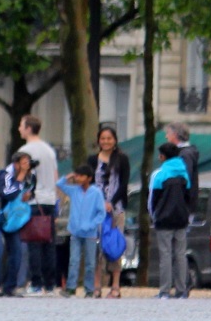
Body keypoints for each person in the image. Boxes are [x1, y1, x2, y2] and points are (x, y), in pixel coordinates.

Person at [0, 151, 35, 297]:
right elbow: (7, 193)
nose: (26, 166)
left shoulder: (29, 176)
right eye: (23, 163)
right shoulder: (6, 174)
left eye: (28, 163)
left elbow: (31, 192)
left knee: (17, 248)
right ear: (16, 164)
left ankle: (10, 286)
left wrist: (28, 194)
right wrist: (21, 177)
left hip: (9, 216)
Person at [18, 114, 59, 295]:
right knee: (48, 243)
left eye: (21, 125)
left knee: (34, 243)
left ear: (28, 128)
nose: (19, 128)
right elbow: (55, 175)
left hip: (35, 201)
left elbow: (23, 175)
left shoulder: (26, 150)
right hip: (50, 200)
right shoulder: (49, 150)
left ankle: (36, 283)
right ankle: (50, 284)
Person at [91, 124, 129, 298]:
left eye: (109, 138)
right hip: (95, 210)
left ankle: (115, 285)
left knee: (114, 245)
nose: (106, 142)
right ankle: (96, 285)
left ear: (114, 141)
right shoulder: (92, 160)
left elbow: (123, 184)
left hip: (116, 209)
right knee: (96, 248)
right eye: (103, 138)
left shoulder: (122, 159)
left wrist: (111, 202)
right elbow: (89, 184)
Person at [150, 142, 192, 298]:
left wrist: (154, 215)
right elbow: (188, 197)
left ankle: (165, 290)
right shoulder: (184, 174)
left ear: (162, 156)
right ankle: (182, 290)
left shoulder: (160, 175)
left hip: (164, 220)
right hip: (181, 219)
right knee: (181, 254)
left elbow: (154, 199)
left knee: (165, 255)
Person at [56, 165, 105, 297]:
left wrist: (91, 225)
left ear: (89, 178)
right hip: (75, 232)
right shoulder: (74, 191)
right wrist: (69, 176)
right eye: (77, 175)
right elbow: (59, 184)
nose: (78, 178)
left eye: (81, 176)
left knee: (90, 262)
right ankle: (71, 287)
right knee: (74, 260)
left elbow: (101, 213)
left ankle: (89, 289)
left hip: (90, 233)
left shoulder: (96, 193)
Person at [165, 122, 200, 213]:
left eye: (168, 133)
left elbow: (183, 180)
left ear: (175, 135)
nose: (166, 136)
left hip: (181, 206)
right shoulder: (185, 153)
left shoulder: (185, 154)